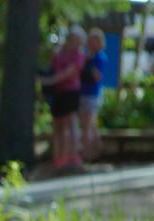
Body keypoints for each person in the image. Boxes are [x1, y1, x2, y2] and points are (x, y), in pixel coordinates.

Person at [41, 26, 86, 168]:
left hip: (71, 93)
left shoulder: (79, 55)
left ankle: (69, 156)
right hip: (58, 93)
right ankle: (58, 156)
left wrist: (48, 81)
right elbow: (52, 66)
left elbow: (68, 73)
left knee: (68, 125)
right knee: (57, 126)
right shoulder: (60, 53)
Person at [79, 28, 108, 161]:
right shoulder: (86, 55)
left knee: (87, 127)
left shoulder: (100, 57)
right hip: (83, 93)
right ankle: (95, 152)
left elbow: (97, 77)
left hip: (92, 95)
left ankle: (88, 155)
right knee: (91, 126)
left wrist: (89, 63)